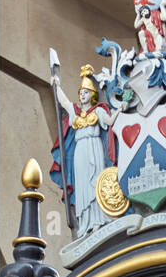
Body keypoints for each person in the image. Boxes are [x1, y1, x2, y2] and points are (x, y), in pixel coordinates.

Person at [51, 65, 121, 237]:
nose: (82, 95)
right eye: (81, 92)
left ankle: (99, 219)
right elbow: (63, 101)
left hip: (94, 148)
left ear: (92, 95)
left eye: (86, 92)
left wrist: (122, 106)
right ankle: (85, 222)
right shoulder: (75, 112)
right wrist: (56, 84)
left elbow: (110, 121)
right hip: (80, 151)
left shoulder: (98, 110)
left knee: (95, 181)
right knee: (82, 184)